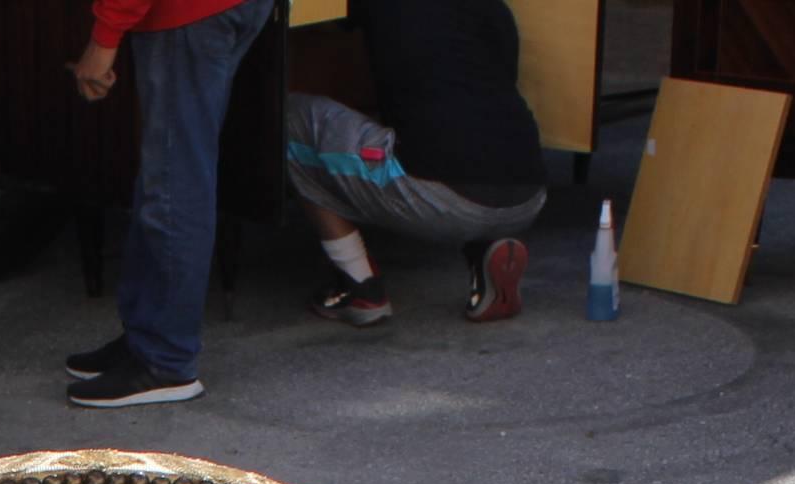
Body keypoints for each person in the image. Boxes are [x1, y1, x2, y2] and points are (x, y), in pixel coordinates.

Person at [60, 0, 277, 410]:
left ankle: (165, 359)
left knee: (174, 182)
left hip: (188, 14)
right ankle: (148, 337)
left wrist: (105, 35)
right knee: (168, 175)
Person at [285, 0, 548, 329]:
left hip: (441, 196)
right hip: (528, 190)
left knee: (290, 120)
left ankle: (358, 286)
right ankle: (486, 250)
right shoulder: (495, 7)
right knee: (458, 127)